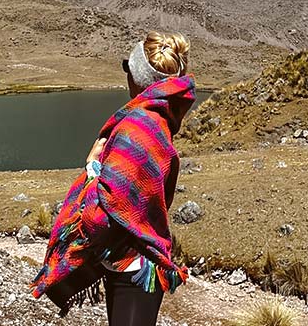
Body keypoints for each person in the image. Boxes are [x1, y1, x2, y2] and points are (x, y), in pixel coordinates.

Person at [31, 31, 195, 325]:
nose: (126, 76)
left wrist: (92, 166)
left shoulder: (135, 127)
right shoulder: (159, 122)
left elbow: (108, 209)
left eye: (128, 69)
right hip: (136, 262)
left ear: (138, 78)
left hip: (132, 268)